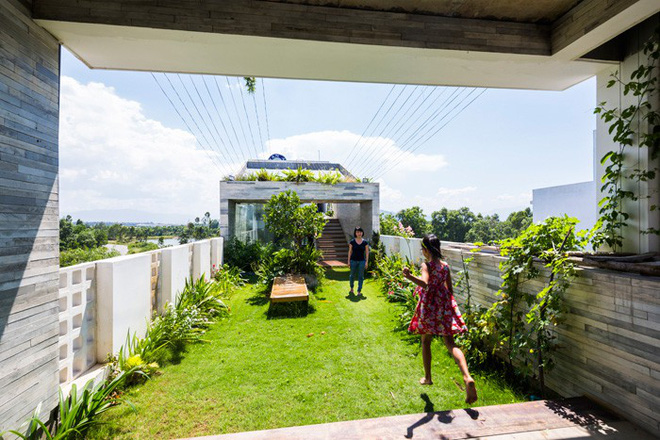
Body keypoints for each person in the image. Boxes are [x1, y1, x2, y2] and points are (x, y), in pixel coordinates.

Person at [402, 234, 478, 405]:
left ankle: (428, 378)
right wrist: (447, 306)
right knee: (451, 344)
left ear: (426, 250)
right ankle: (467, 376)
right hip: (444, 305)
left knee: (426, 341)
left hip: (429, 307)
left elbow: (425, 283)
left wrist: (409, 276)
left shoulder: (426, 265)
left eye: (422, 248)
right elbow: (449, 289)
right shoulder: (445, 266)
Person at [348, 227, 369, 296]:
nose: (359, 233)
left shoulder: (365, 242)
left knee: (361, 276)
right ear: (355, 233)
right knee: (352, 275)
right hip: (353, 261)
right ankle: (351, 287)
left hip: (362, 261)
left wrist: (366, 262)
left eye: (360, 232)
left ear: (362, 233)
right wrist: (348, 261)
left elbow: (367, 253)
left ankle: (359, 290)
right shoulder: (352, 242)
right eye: (357, 232)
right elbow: (350, 252)